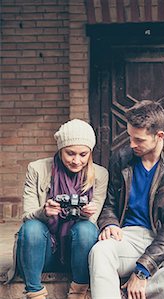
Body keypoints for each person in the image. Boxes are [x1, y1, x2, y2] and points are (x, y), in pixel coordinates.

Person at [88, 100, 164, 299]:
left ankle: (130, 293)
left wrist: (142, 272)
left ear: (159, 136)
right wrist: (109, 223)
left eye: (139, 140)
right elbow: (109, 204)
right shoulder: (121, 158)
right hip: (129, 237)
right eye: (130, 137)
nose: (131, 144)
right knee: (100, 252)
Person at [6, 119, 108, 299]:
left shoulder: (100, 174)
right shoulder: (37, 169)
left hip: (77, 253)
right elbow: (27, 216)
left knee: (86, 229)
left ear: (90, 153)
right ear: (60, 149)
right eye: (70, 153)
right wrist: (43, 212)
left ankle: (78, 292)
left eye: (83, 154)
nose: (77, 161)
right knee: (32, 227)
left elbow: (93, 222)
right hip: (41, 252)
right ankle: (35, 292)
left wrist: (85, 215)